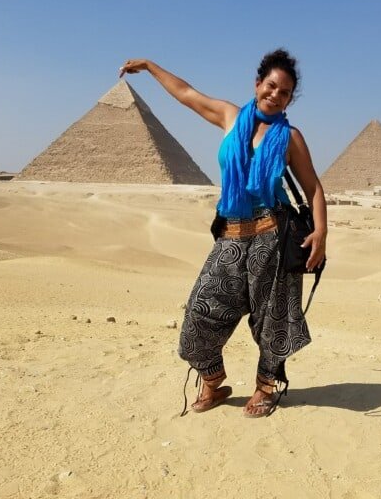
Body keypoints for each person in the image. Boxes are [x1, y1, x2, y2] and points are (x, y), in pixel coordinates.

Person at [119, 49, 327, 417]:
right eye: (272, 86)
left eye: (285, 92)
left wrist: (321, 233)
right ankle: (213, 383)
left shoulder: (290, 137)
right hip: (230, 234)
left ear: (290, 98)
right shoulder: (231, 116)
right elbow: (186, 94)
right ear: (258, 83)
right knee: (200, 311)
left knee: (273, 318)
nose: (276, 95)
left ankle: (266, 388)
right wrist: (150, 67)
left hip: (272, 237)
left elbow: (313, 188)